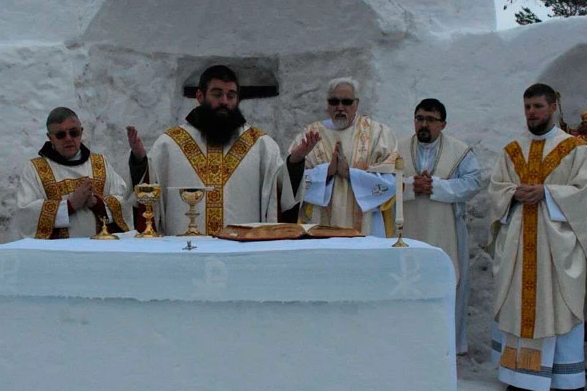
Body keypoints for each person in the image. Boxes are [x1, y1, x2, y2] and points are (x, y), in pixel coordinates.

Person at [488, 84, 587, 391]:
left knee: (560, 307)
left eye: (538, 106)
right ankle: (519, 378)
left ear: (553, 107)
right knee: (519, 308)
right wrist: (513, 193)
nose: (531, 112)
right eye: (527, 107)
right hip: (518, 246)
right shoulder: (512, 150)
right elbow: (496, 189)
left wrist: (547, 193)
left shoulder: (575, 149)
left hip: (556, 251)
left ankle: (563, 380)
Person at [127, 65, 297, 235]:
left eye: (231, 96)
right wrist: (140, 161)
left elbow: (280, 192)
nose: (224, 101)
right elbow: (148, 190)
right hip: (184, 252)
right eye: (217, 94)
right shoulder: (170, 144)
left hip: (241, 251)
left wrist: (296, 162)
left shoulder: (260, 145)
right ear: (200, 96)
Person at [397, 98, 482, 354]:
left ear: (443, 124)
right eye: (419, 118)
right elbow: (380, 182)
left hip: (447, 233)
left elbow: (473, 183)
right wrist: (411, 186)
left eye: (431, 120)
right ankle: (406, 346)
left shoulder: (460, 152)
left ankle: (445, 350)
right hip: (406, 232)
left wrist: (436, 187)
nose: (424, 124)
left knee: (447, 285)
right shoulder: (395, 149)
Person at [286, 77, 398, 237]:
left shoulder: (378, 134)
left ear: (356, 104)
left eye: (346, 102)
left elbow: (391, 182)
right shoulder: (309, 136)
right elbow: (290, 183)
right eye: (334, 102)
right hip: (319, 222)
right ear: (327, 104)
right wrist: (326, 172)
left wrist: (349, 173)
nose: (340, 107)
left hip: (367, 225)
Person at [13, 107, 130, 239]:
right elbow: (25, 216)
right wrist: (70, 206)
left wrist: (97, 203)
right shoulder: (35, 169)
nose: (68, 139)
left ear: (81, 132)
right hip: (58, 254)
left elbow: (126, 201)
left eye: (74, 133)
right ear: (50, 138)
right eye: (61, 135)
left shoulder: (100, 163)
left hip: (101, 250)